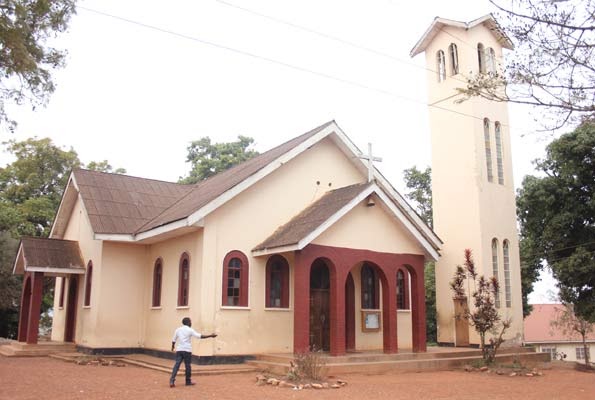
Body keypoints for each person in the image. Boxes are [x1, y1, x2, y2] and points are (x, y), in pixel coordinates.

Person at [169, 317, 217, 388]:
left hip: (179, 350)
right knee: (187, 366)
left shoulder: (178, 330)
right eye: (190, 322)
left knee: (177, 365)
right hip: (187, 350)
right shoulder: (190, 330)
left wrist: (173, 346)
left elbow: (174, 339)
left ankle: (172, 380)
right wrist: (211, 335)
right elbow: (200, 336)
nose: (191, 323)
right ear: (188, 322)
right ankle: (188, 381)